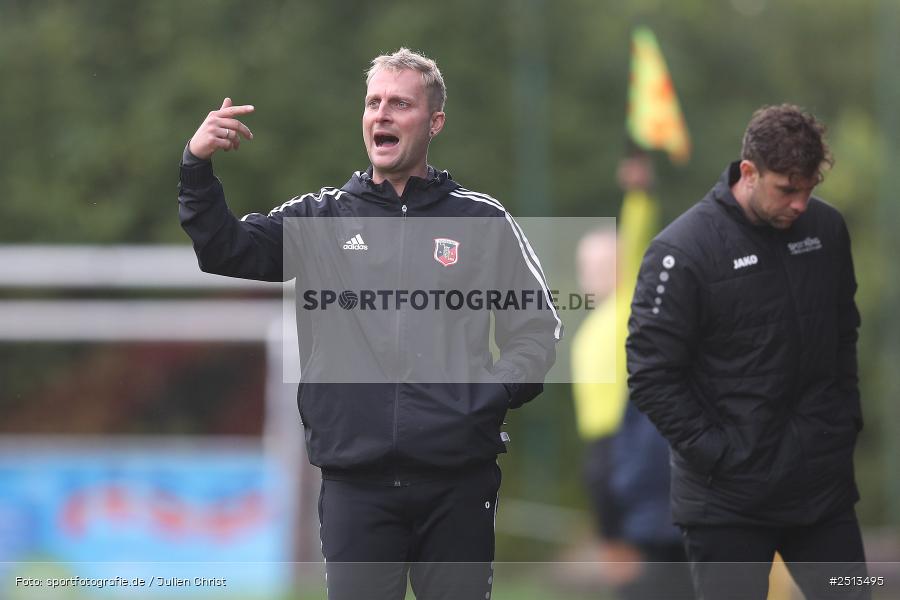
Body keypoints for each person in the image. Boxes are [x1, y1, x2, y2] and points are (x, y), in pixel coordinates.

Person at [177, 48, 560, 600]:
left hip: (458, 479)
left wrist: (488, 395)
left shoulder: (482, 219)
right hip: (355, 482)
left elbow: (538, 329)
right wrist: (196, 166)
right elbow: (225, 250)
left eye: (399, 104)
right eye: (373, 102)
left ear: (434, 123)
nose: (381, 114)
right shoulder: (321, 217)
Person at [626, 104, 868, 600]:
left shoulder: (827, 231)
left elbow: (845, 336)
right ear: (749, 172)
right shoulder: (683, 250)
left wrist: (841, 424)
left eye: (809, 189)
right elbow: (651, 375)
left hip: (822, 493)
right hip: (726, 505)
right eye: (787, 189)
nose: (800, 203)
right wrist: (719, 455)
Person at [572, 155, 693, 600]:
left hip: (631, 443)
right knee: (615, 550)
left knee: (643, 552)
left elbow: (638, 233)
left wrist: (639, 193)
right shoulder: (591, 322)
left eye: (600, 262)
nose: (590, 271)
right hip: (598, 450)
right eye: (587, 263)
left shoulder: (629, 301)